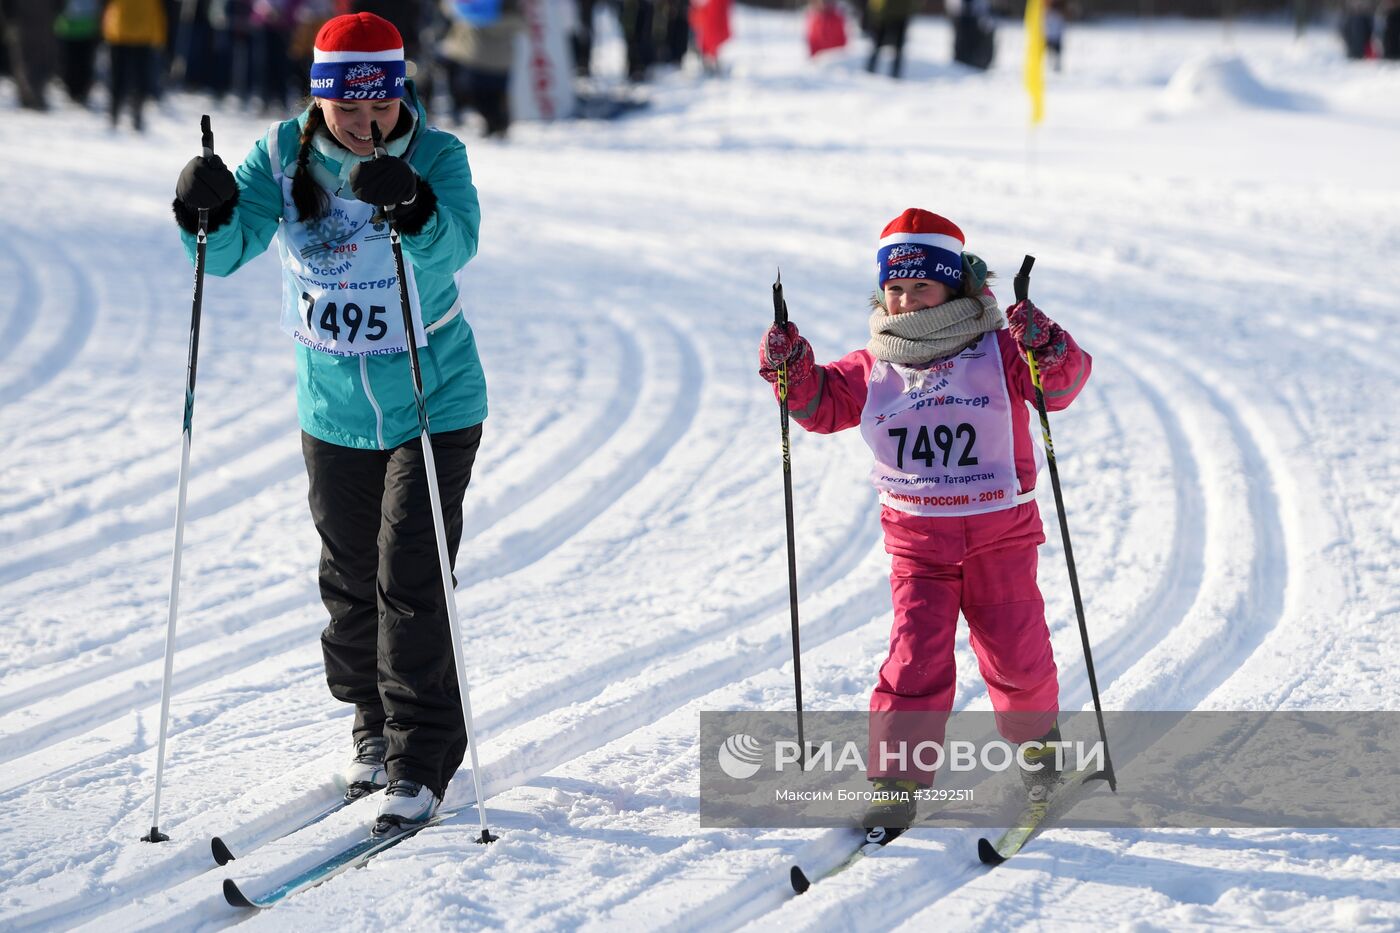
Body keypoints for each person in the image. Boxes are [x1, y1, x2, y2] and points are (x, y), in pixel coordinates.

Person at [169, 11, 487, 835]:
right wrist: (199, 210)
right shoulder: (281, 153)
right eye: (346, 109)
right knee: (349, 582)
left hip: (433, 400)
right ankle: (373, 727)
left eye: (377, 105)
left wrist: (412, 208)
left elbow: (456, 246)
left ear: (398, 92)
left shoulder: (437, 155)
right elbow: (229, 245)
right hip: (332, 411)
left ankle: (422, 756)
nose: (364, 123)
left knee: (409, 574)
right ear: (321, 101)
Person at [757, 209, 1092, 829]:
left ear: (955, 287)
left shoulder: (999, 350)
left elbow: (1061, 387)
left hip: (1000, 535)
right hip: (918, 543)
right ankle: (896, 781)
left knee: (1018, 659)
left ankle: (1041, 759)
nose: (907, 301)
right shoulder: (875, 362)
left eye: (921, 288)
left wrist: (1047, 345)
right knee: (915, 660)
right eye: (895, 289)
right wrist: (791, 369)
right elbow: (819, 406)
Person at [102, 0, 167, 130]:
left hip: (122, 31)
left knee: (120, 77)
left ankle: (117, 113)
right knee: (137, 78)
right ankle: (130, 114)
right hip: (140, 32)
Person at [864, 0, 911, 78]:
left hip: (889, 15)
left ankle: (871, 70)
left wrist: (874, 11)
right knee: (881, 47)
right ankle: (871, 71)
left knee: (879, 46)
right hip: (893, 15)